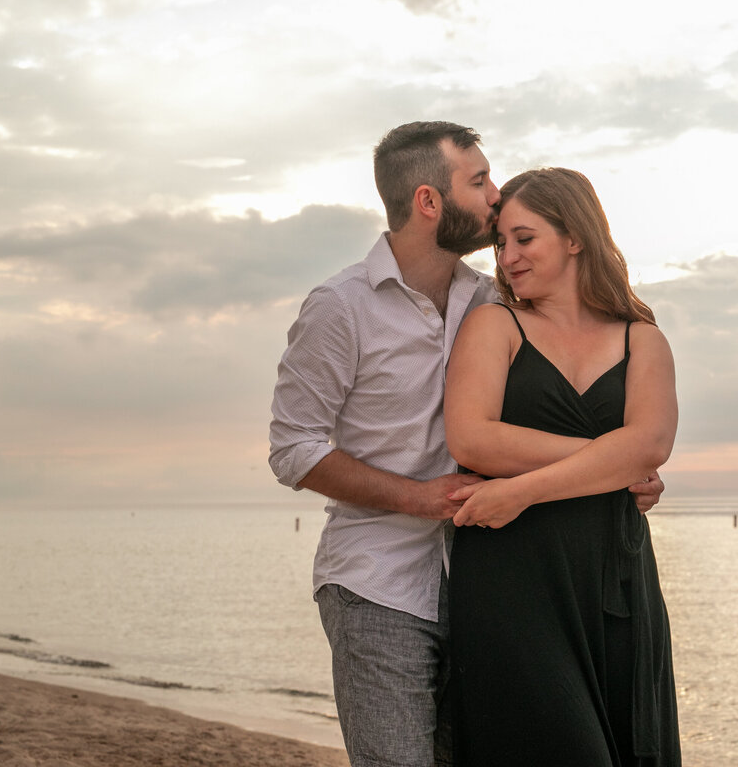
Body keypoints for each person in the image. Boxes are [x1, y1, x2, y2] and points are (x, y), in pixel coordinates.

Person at [268, 122, 664, 767]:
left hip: (491, 583)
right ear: (430, 202)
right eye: (478, 180)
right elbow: (294, 449)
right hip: (379, 581)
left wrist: (616, 467)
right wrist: (417, 499)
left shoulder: (490, 298)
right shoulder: (339, 308)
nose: (494, 193)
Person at [443, 167, 682, 765]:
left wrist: (522, 491)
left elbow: (650, 441)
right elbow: (472, 440)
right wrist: (613, 460)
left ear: (575, 236)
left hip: (616, 580)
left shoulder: (642, 339)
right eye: (501, 243)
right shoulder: (495, 324)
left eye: (524, 238)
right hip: (513, 577)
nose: (508, 257)